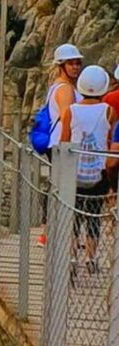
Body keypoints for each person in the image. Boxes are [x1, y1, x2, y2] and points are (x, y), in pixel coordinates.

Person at [60, 65, 117, 273]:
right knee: (93, 216)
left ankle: (73, 258)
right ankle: (91, 258)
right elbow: (109, 136)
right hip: (97, 172)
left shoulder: (70, 111)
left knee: (75, 216)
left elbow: (64, 141)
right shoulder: (109, 111)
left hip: (74, 172)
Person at [38, 44, 85, 247]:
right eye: (71, 63)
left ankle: (50, 233)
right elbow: (68, 115)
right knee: (66, 189)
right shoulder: (65, 88)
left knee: (58, 186)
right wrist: (68, 143)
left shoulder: (55, 86)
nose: (76, 67)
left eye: (78, 63)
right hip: (63, 144)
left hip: (56, 143)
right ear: (61, 65)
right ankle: (54, 234)